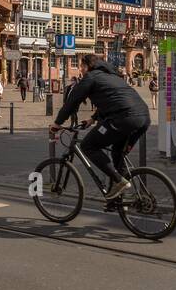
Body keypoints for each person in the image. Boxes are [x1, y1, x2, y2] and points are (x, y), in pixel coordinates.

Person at [52, 54, 150, 200]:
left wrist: (57, 123)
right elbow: (113, 100)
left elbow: (72, 102)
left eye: (81, 66)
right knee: (117, 153)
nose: (81, 69)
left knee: (88, 146)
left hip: (124, 119)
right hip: (143, 118)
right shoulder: (113, 76)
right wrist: (92, 119)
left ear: (87, 66)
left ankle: (120, 181)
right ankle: (121, 197)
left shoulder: (91, 77)